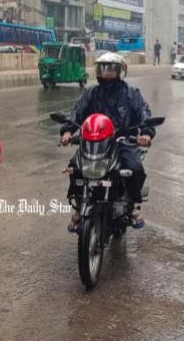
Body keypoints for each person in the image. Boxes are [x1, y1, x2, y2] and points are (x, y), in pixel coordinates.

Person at [60, 52, 156, 232]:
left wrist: (146, 133)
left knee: (135, 168)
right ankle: (80, 206)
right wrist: (67, 131)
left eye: (111, 69)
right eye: (103, 68)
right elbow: (77, 113)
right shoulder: (91, 93)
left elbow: (144, 113)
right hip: (94, 143)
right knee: (75, 167)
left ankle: (132, 205)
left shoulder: (131, 94)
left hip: (122, 142)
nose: (107, 72)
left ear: (120, 71)